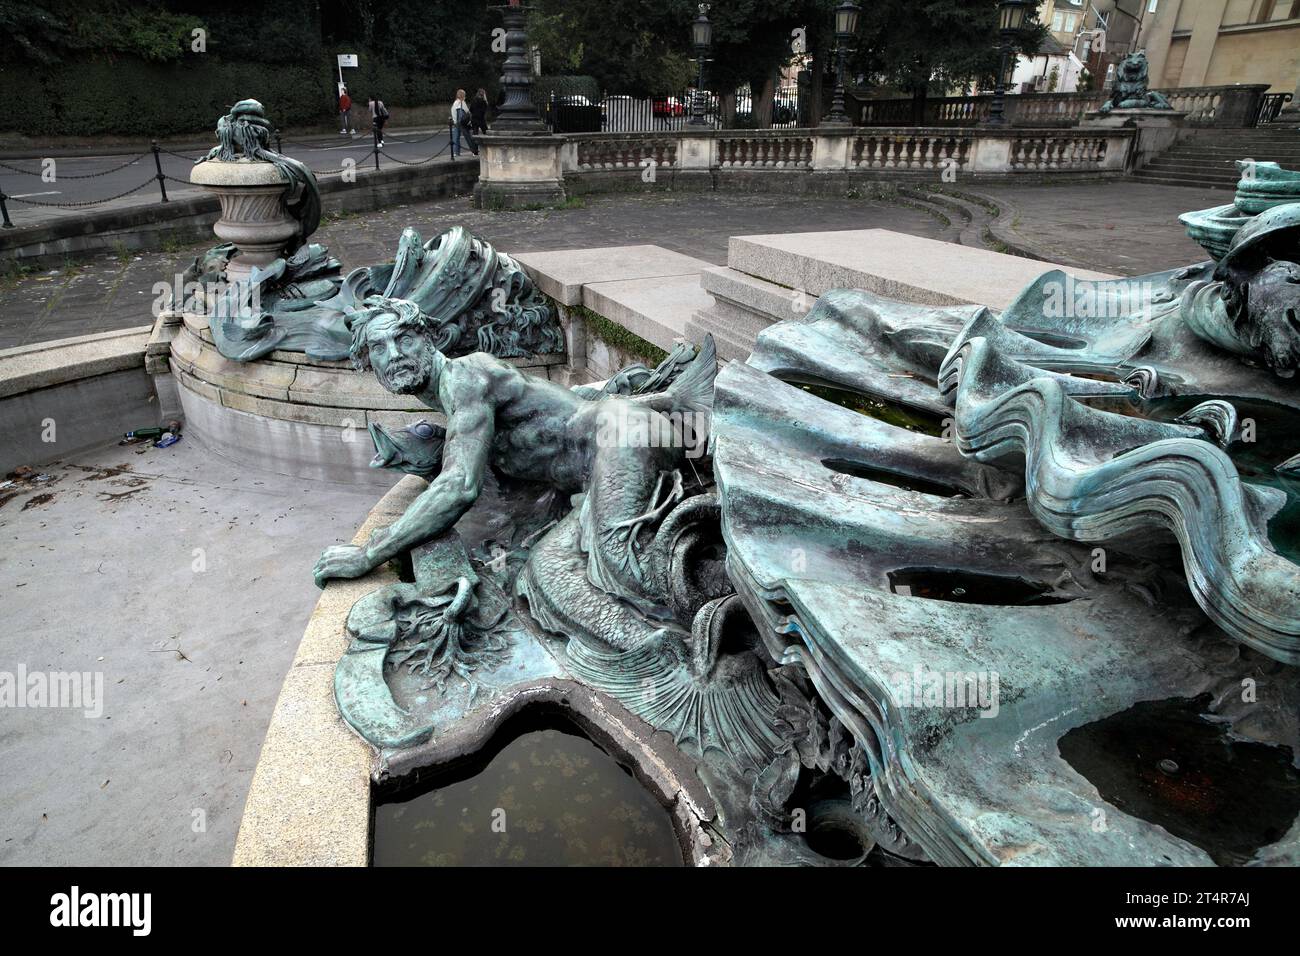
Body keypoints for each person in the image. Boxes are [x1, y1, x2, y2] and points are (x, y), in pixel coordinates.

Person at [450, 89, 477, 158]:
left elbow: (454, 113)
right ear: (463, 95)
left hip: (456, 123)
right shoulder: (461, 103)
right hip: (462, 123)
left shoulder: (455, 103)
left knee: (456, 138)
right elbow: (465, 112)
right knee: (468, 137)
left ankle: (456, 152)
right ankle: (474, 151)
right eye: (464, 95)